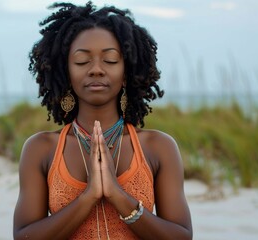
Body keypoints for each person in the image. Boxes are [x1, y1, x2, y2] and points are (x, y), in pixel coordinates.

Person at [13, 2, 192, 239]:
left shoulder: (158, 147)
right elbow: (23, 235)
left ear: (126, 73)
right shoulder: (40, 149)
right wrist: (88, 197)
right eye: (81, 61)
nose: (96, 69)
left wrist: (119, 196)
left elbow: (182, 236)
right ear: (66, 72)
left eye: (110, 60)